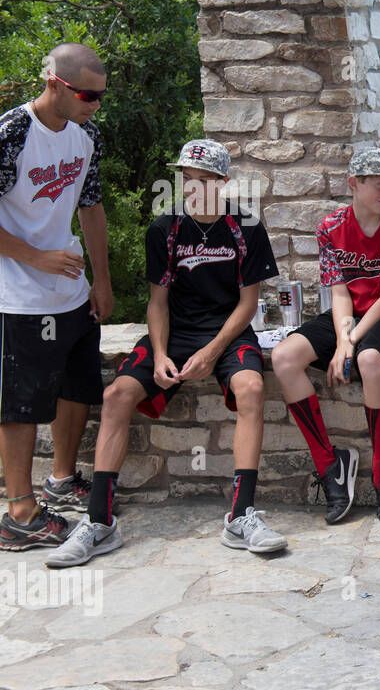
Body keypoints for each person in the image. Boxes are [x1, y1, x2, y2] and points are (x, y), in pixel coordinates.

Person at [46, 140, 284, 566]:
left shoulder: (246, 226)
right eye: (185, 179)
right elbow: (157, 301)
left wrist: (212, 352)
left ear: (223, 183)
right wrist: (158, 355)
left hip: (227, 332)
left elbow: (249, 304)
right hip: (174, 332)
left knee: (250, 388)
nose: (190, 188)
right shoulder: (165, 228)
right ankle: (99, 523)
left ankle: (241, 514)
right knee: (117, 394)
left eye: (201, 181)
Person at [0, 43, 113, 550]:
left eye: (101, 96)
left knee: (79, 383)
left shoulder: (86, 135)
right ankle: (20, 512)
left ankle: (61, 480)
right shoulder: (13, 134)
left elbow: (90, 205)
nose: (95, 105)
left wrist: (102, 279)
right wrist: (34, 256)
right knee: (22, 404)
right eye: (88, 95)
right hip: (19, 292)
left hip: (70, 288)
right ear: (55, 83)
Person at [272, 148, 380, 524]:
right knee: (284, 358)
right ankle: (330, 466)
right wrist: (343, 337)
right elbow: (339, 292)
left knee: (370, 360)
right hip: (348, 314)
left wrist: (351, 343)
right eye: (379, 185)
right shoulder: (331, 226)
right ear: (354, 184)